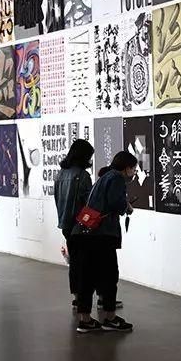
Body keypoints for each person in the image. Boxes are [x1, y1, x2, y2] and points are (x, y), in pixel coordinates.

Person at [71, 151, 138, 333]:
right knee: (109, 276)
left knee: (87, 277)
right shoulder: (116, 178)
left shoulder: (104, 176)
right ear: (126, 168)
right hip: (102, 235)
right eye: (133, 169)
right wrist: (126, 206)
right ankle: (110, 318)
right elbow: (116, 203)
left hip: (86, 232)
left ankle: (85, 320)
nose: (134, 173)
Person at [54, 140, 94, 309]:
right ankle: (84, 300)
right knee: (84, 264)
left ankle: (77, 297)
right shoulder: (83, 176)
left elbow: (57, 199)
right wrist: (91, 224)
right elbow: (89, 203)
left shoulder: (61, 174)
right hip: (80, 226)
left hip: (65, 224)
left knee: (74, 263)